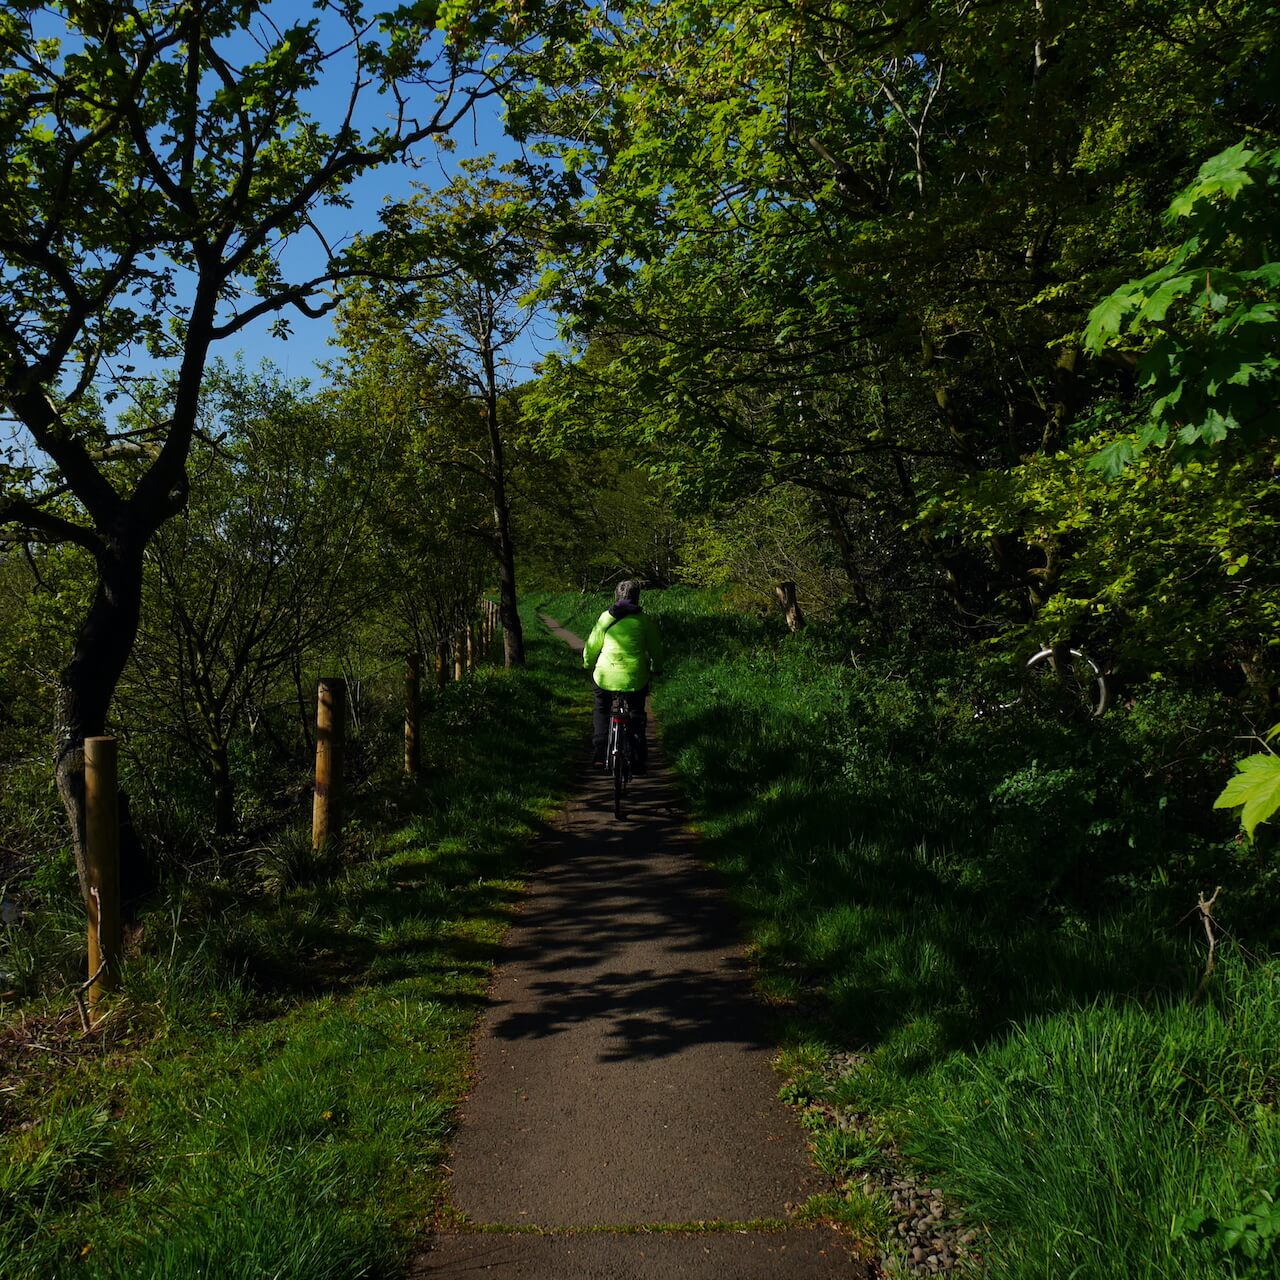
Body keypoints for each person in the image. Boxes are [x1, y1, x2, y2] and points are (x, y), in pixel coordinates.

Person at [582, 580, 664, 773]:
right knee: (636, 713)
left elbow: (592, 644)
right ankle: (637, 760)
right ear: (637, 598)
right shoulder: (644, 621)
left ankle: (600, 755)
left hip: (604, 675)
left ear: (616, 596)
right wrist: (657, 667)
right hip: (635, 677)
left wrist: (587, 663)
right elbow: (655, 649)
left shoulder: (605, 618)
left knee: (602, 708)